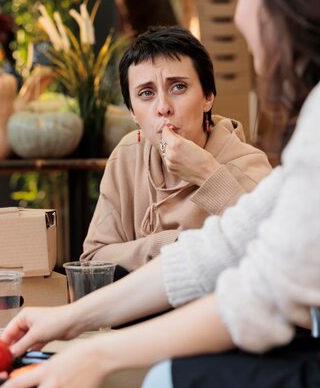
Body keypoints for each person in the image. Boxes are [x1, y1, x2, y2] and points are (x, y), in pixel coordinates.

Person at [0, 0, 320, 387]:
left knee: (166, 377)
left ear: (283, 1)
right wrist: (67, 318)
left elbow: (263, 293)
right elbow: (218, 248)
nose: (237, 16)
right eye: (145, 94)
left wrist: (99, 354)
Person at [81, 26, 271, 272]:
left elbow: (277, 252)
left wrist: (208, 173)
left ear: (208, 97)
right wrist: (174, 244)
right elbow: (93, 259)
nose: (163, 107)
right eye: (146, 93)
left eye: (178, 87)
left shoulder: (247, 164)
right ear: (132, 112)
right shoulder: (127, 154)